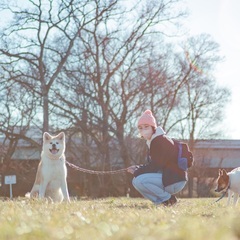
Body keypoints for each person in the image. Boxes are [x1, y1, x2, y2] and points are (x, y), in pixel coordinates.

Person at [127, 110, 187, 206]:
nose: (143, 130)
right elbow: (155, 165)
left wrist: (137, 171)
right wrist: (138, 168)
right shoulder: (155, 140)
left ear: (153, 127)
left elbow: (155, 167)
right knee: (136, 180)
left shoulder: (159, 141)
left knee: (139, 180)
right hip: (170, 178)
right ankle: (161, 202)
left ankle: (168, 199)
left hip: (174, 180)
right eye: (140, 128)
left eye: (146, 127)